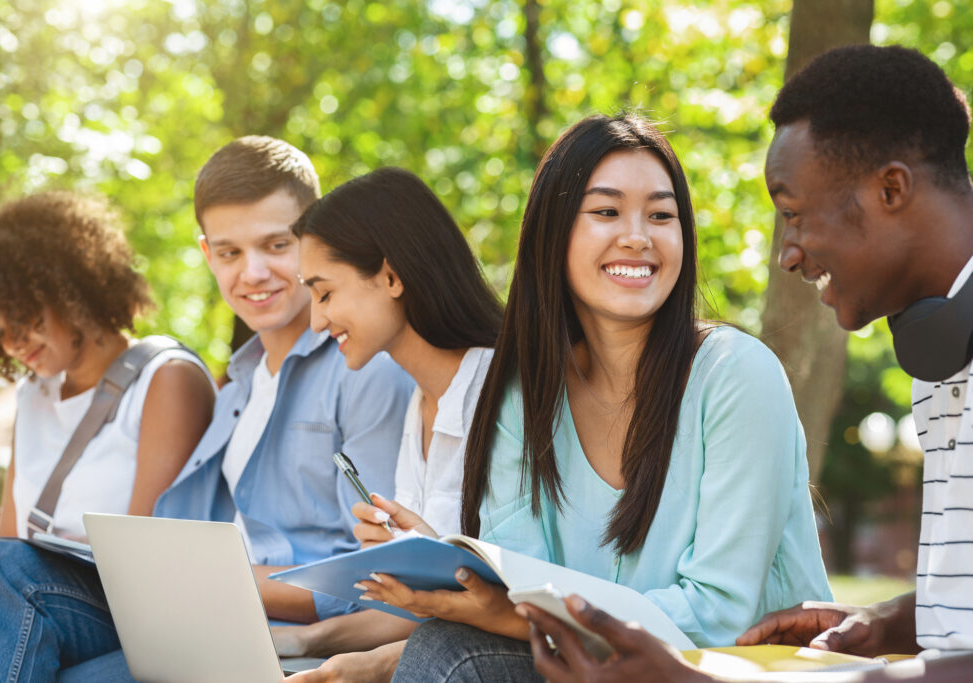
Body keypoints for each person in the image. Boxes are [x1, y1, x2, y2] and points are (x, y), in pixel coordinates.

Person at [518, 45, 973, 683]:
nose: (787, 254)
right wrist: (892, 620)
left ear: (890, 188)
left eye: (792, 213)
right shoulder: (942, 351)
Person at [341, 113, 832, 682]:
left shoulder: (736, 375)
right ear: (554, 234)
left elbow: (717, 618)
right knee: (445, 647)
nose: (637, 236)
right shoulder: (522, 396)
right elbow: (521, 580)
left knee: (449, 652)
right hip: (594, 670)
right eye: (606, 211)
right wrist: (447, 569)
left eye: (661, 215)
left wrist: (507, 612)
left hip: (724, 673)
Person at [0, 137, 414, 682]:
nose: (254, 273)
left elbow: (377, 577)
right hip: (210, 623)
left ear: (314, 242)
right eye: (230, 253)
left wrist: (210, 582)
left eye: (276, 245)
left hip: (287, 639)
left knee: (7, 572)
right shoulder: (238, 390)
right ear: (206, 255)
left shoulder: (362, 368)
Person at [266, 167, 503, 681]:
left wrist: (368, 668)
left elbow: (505, 613)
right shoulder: (420, 403)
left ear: (392, 277)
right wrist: (309, 640)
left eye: (325, 294)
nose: (315, 322)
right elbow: (429, 607)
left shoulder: (507, 396)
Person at [0, 191, 215, 621]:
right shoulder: (33, 395)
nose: (13, 344)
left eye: (23, 320)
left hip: (122, 612)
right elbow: (5, 539)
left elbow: (144, 560)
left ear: (72, 289)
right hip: (30, 607)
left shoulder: (164, 380)